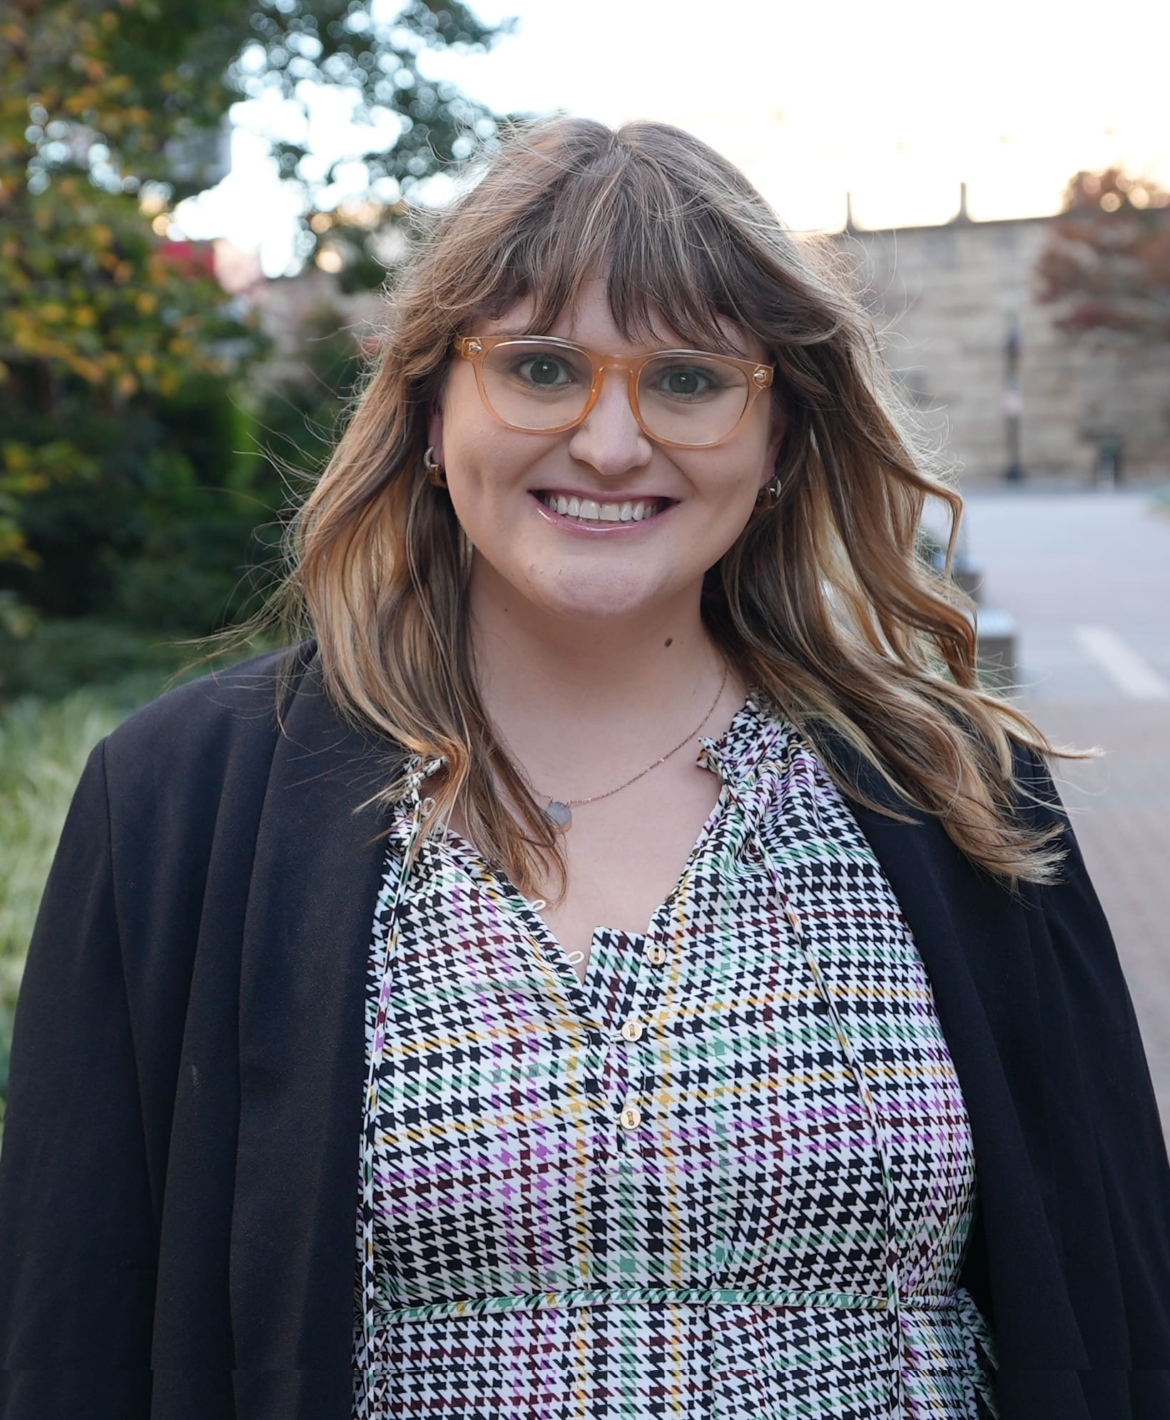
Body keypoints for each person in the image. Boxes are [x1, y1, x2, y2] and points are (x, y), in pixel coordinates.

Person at [1, 118, 1168, 1420]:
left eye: (687, 380)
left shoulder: (949, 789)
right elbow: (73, 1339)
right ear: (430, 411)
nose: (612, 443)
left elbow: (1117, 1301)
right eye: (542, 368)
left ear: (777, 438)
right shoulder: (178, 810)